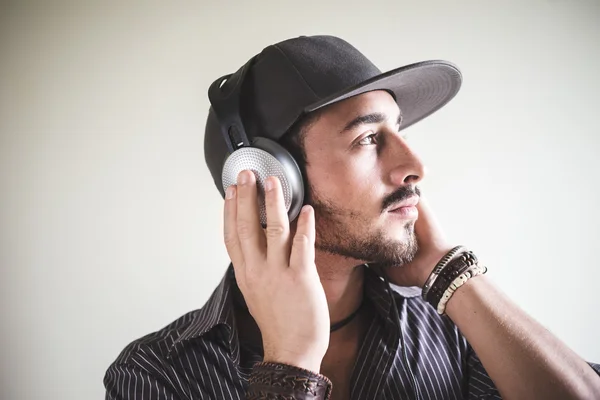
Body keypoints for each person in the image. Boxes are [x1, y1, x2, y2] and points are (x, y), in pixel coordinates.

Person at [104, 35, 600, 400]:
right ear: (267, 178)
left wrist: (453, 275)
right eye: (367, 139)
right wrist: (290, 365)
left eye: (399, 131)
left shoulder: (451, 328)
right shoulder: (154, 373)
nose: (415, 167)